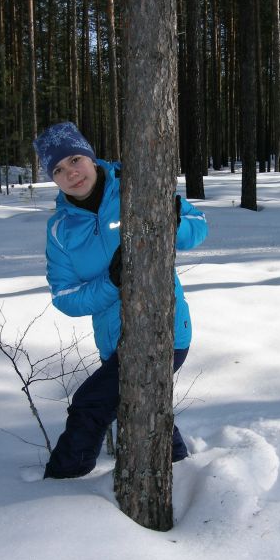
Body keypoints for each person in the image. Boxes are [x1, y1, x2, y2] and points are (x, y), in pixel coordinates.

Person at [34, 121, 208, 479]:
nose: (71, 173)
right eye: (58, 169)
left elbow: (199, 225)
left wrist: (172, 223)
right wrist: (113, 283)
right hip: (114, 342)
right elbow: (65, 297)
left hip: (165, 331)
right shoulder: (60, 229)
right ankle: (180, 470)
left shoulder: (138, 186)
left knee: (91, 405)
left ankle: (63, 481)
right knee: (141, 407)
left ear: (90, 156)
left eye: (74, 160)